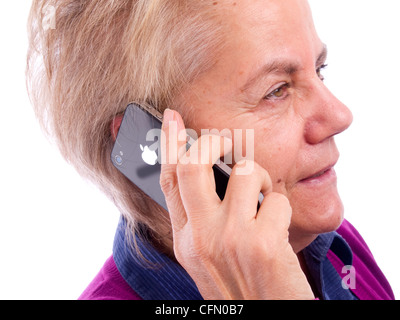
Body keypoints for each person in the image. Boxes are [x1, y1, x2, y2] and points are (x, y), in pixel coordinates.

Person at [26, 0, 394, 300]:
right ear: (153, 145)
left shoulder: (331, 245)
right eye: (276, 90)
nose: (339, 115)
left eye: (320, 69)